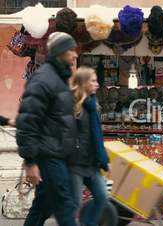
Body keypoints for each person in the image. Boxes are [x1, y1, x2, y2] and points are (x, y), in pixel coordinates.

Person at [16, 32, 79, 226]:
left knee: (42, 206)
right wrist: (30, 161)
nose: (75, 55)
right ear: (60, 52)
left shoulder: (60, 79)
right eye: (71, 51)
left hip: (59, 154)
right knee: (65, 205)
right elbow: (27, 122)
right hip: (48, 155)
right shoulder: (43, 80)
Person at [69, 67, 110, 226]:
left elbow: (97, 136)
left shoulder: (93, 105)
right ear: (83, 83)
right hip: (75, 164)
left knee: (102, 198)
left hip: (92, 164)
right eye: (93, 80)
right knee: (74, 205)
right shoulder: (73, 106)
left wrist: (104, 159)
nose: (97, 84)